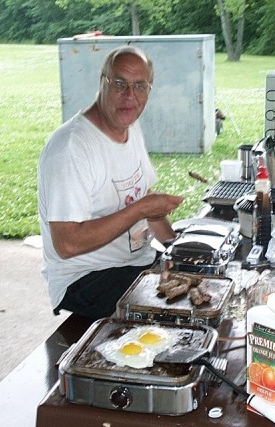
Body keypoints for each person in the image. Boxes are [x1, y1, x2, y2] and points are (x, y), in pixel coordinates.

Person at [37, 45, 184, 320]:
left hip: (132, 264)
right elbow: (66, 243)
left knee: (200, 283)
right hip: (84, 277)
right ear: (102, 82)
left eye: (140, 86)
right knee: (175, 315)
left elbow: (144, 199)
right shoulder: (72, 147)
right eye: (119, 84)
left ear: (149, 90)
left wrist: (176, 247)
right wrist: (141, 209)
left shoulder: (128, 126)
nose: (130, 96)